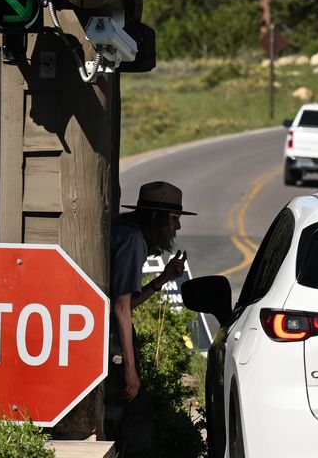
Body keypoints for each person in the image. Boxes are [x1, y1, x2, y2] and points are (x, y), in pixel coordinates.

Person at [107, 180, 192, 455]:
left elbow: (124, 302)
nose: (177, 227)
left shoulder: (130, 233)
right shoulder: (133, 241)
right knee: (135, 419)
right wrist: (130, 370)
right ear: (156, 218)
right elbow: (120, 308)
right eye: (174, 218)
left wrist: (163, 278)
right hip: (107, 339)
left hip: (105, 330)